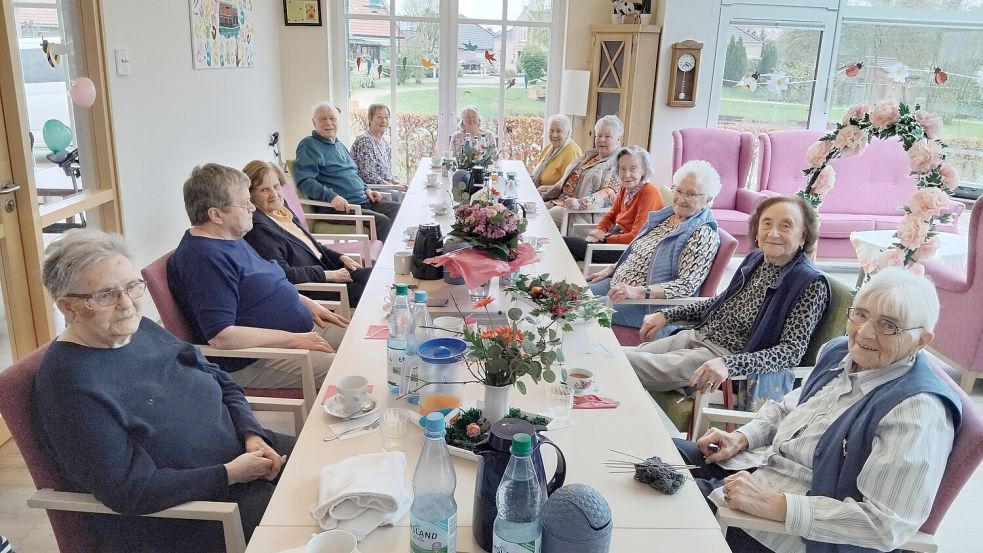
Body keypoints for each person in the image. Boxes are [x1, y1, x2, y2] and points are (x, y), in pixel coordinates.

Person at [35, 228, 295, 551]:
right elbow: (130, 489)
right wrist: (229, 474)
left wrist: (251, 433)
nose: (127, 304)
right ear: (68, 308)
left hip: (240, 456)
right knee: (306, 522)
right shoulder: (69, 386)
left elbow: (220, 379)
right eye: (105, 295)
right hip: (191, 515)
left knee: (322, 465)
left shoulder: (139, 329)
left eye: (131, 286)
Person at [676, 267, 960, 553]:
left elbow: (886, 524)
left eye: (888, 325)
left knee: (659, 503)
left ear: (921, 340)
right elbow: (787, 409)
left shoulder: (916, 412)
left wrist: (777, 505)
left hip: (783, 532)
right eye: (860, 314)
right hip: (752, 471)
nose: (864, 332)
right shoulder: (839, 354)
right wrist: (743, 437)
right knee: (660, 455)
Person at [627, 195, 831, 410]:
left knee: (625, 364)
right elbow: (720, 302)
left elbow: (791, 352)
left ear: (803, 236)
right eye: (767, 223)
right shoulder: (756, 259)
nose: (773, 233)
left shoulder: (809, 283)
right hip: (697, 336)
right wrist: (668, 315)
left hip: (722, 360)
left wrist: (729, 364)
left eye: (786, 225)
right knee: (627, 355)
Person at [168, 163, 349, 391]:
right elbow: (222, 337)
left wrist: (307, 303)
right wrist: (295, 341)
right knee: (346, 370)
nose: (253, 209)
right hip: (255, 358)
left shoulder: (231, 236)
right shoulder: (203, 259)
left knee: (360, 342)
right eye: (245, 204)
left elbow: (271, 280)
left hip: (295, 333)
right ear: (215, 214)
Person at [585, 160, 722, 329]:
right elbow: (639, 251)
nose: (681, 199)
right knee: (570, 296)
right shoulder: (665, 216)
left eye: (691, 194)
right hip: (618, 286)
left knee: (578, 310)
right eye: (678, 190)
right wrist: (612, 269)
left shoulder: (703, 234)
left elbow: (687, 284)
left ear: (708, 198)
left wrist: (639, 291)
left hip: (647, 304)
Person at [241, 160, 371, 307]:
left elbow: (310, 245)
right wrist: (327, 275)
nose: (274, 194)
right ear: (250, 194)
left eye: (276, 186)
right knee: (377, 292)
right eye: (264, 190)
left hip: (328, 273)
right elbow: (283, 273)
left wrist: (340, 257)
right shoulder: (259, 229)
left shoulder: (282, 211)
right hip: (315, 289)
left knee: (379, 277)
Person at [294, 102, 401, 241]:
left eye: (332, 118)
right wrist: (331, 196)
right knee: (383, 222)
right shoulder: (308, 145)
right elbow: (304, 180)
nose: (328, 123)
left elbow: (353, 173)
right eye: (323, 119)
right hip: (340, 207)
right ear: (314, 122)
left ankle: (401, 254)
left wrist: (367, 189)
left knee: (399, 210)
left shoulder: (339, 145)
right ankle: (382, 261)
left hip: (363, 200)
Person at [563, 146, 664, 263]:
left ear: (644, 170)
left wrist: (605, 238)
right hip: (616, 240)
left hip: (628, 252)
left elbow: (636, 236)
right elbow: (612, 215)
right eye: (623, 169)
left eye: (633, 168)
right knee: (568, 254)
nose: (627, 174)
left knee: (565, 244)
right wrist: (600, 231)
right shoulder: (625, 188)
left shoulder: (649, 192)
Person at [539, 114, 624, 228]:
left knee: (544, 217)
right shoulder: (589, 156)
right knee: (532, 209)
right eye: (598, 135)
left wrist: (580, 203)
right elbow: (564, 183)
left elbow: (609, 194)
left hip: (581, 213)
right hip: (560, 202)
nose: (601, 140)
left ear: (618, 139)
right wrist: (543, 193)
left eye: (607, 136)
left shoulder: (618, 162)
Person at [350, 103, 403, 188]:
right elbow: (369, 177)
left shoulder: (385, 144)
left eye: (386, 117)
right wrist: (393, 187)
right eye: (379, 117)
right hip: (372, 191)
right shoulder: (364, 141)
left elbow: (387, 175)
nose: (384, 120)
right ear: (370, 119)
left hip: (386, 187)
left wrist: (397, 184)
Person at [529, 114, 582, 188]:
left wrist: (543, 189)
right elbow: (535, 173)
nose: (554, 135)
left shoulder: (572, 152)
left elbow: (567, 186)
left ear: (568, 133)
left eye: (559, 131)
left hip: (549, 196)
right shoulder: (549, 148)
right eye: (551, 131)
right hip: (536, 190)